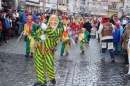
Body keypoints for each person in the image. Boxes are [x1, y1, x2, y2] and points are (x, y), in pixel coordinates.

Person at [33, 14, 63, 86]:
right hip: (39, 50)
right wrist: (40, 37)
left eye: (55, 20)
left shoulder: (59, 30)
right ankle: (42, 81)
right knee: (38, 65)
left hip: (48, 51)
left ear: (58, 22)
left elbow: (53, 35)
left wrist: (45, 29)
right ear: (49, 21)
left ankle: (52, 77)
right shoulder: (44, 27)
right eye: (51, 20)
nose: (53, 22)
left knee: (49, 66)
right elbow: (35, 35)